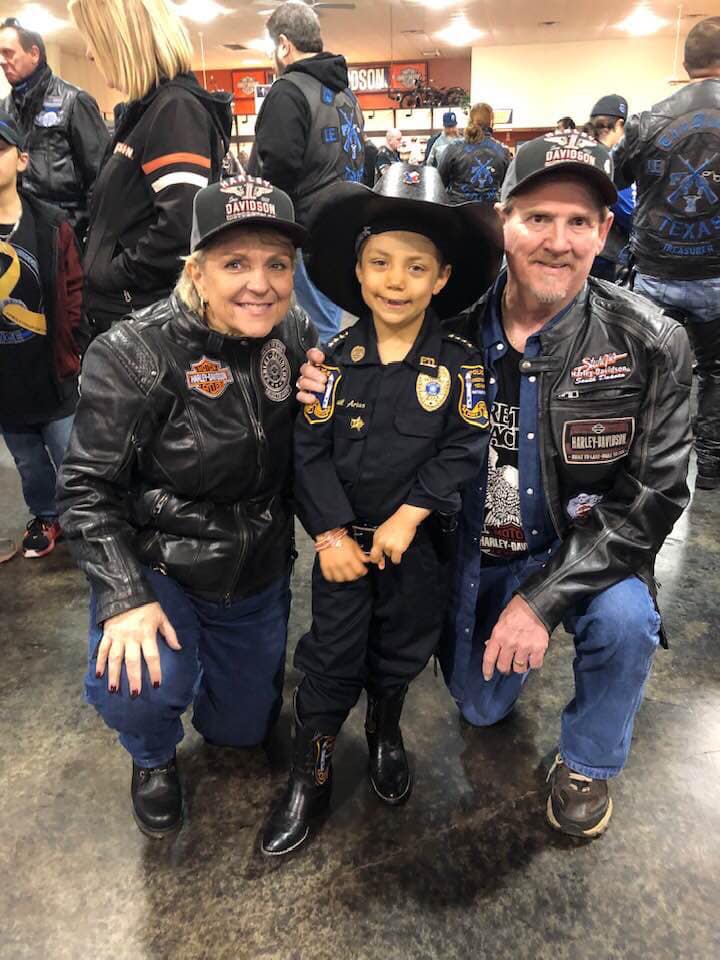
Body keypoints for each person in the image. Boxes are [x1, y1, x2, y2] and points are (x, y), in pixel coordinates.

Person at [297, 134, 693, 840]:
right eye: (538, 218)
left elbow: (653, 500)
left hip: (588, 550)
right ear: (504, 223)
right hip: (480, 554)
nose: (558, 241)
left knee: (628, 620)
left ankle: (588, 762)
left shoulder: (651, 341)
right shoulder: (448, 331)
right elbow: (371, 385)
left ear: (605, 233)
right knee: (479, 710)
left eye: (579, 222)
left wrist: (541, 604)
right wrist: (325, 379)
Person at [57, 176, 316, 838]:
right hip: (161, 566)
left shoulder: (296, 335)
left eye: (276, 264)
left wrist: (332, 399)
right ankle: (150, 756)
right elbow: (86, 486)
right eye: (235, 263)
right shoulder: (134, 354)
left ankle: (220, 690)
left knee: (240, 730)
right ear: (196, 271)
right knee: (137, 684)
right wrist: (122, 597)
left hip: (255, 570)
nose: (259, 283)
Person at [261, 164, 502, 856]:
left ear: (441, 279)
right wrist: (331, 534)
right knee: (331, 659)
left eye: (415, 267)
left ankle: (386, 731)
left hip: (415, 551)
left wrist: (413, 512)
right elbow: (307, 455)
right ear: (359, 273)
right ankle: (312, 771)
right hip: (343, 552)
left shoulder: (459, 364)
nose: (396, 281)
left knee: (399, 653)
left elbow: (465, 446)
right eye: (381, 264)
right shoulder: (330, 361)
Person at [68, 0, 232, 335]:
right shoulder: (148, 110)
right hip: (126, 315)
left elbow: (180, 230)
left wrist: (111, 276)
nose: (88, 53)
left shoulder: (175, 110)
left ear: (120, 39)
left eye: (93, 39)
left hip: (143, 320)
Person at [613, 16, 720, 491]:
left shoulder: (648, 119)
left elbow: (615, 178)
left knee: (649, 373)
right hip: (717, 272)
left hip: (657, 270)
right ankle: (713, 465)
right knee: (716, 373)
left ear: (685, 62)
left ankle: (638, 464)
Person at [249, 1, 364, 341]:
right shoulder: (348, 95)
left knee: (311, 330)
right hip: (345, 224)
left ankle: (320, 393)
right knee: (330, 323)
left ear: (284, 45)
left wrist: (267, 229)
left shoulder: (288, 90)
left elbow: (278, 170)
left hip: (306, 229)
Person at [0, 111, 86, 560]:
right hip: (5, 381)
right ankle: (46, 515)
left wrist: (71, 346)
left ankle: (88, 517)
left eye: (0, 149)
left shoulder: (52, 224)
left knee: (73, 455)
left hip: (52, 369)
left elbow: (74, 290)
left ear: (22, 159)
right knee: (29, 462)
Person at [0, 18, 109, 243]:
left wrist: (94, 242)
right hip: (22, 236)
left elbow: (101, 179)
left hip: (70, 236)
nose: (2, 61)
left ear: (34, 54)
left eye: (8, 52)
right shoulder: (4, 109)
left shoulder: (74, 102)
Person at [584, 95, 635, 281]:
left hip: (577, 243)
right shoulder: (610, 161)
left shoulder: (581, 152)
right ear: (620, 124)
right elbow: (628, 211)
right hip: (605, 252)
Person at [438, 103, 511, 205]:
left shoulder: (453, 147)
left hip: (457, 213)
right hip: (489, 214)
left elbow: (440, 182)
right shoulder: (503, 151)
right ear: (491, 123)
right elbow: (508, 187)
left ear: (470, 121)